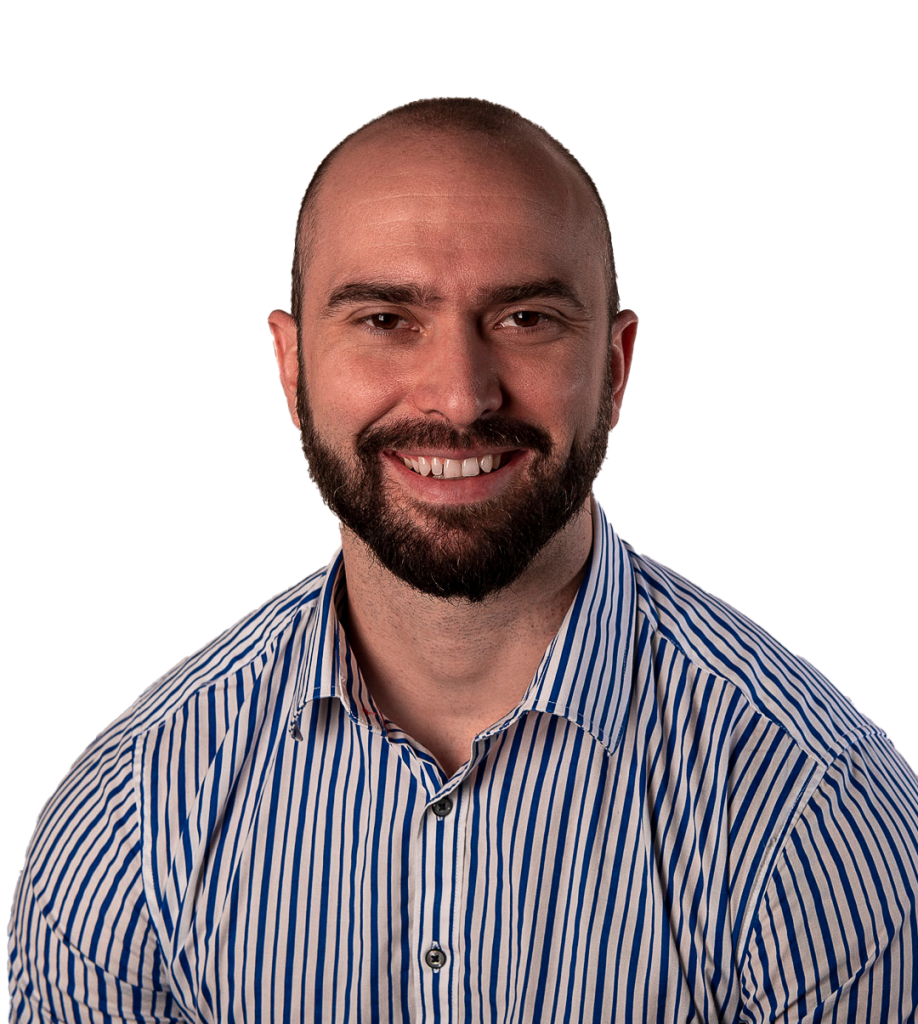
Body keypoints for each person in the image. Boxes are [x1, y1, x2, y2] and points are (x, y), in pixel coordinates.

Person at [8, 98, 918, 1023]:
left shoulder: (820, 820)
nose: (459, 394)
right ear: (292, 369)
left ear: (614, 367)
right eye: (384, 319)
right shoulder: (127, 819)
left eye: (524, 317)